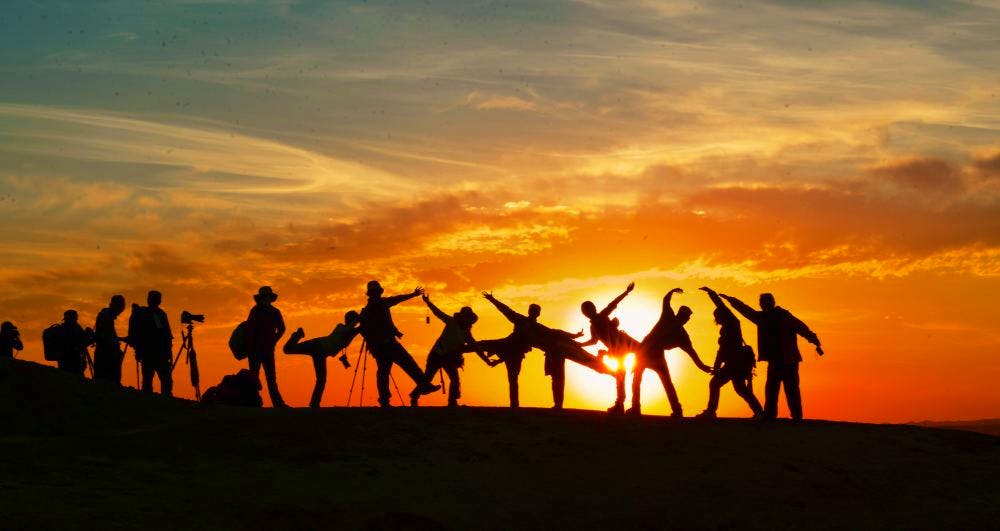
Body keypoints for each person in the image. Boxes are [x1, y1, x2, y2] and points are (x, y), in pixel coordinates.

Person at [482, 291, 612, 410]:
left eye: (536, 310)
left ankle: (557, 404)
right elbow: (506, 310)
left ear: (538, 313)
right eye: (533, 310)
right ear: (530, 311)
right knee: (557, 377)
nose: (534, 312)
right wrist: (492, 300)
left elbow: (555, 332)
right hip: (547, 351)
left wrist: (574, 336)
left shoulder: (538, 327)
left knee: (575, 367)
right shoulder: (521, 321)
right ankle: (555, 405)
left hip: (557, 349)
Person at [719, 291, 823, 421]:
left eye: (766, 302)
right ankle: (772, 415)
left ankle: (794, 416)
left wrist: (814, 340)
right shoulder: (762, 318)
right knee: (773, 389)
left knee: (789, 389)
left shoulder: (783, 316)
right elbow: (745, 309)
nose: (764, 305)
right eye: (763, 303)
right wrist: (731, 300)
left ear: (772, 303)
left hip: (789, 360)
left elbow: (801, 328)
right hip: (777, 360)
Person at [629, 288, 713, 418]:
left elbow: (692, 353)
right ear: (681, 315)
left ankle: (676, 410)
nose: (685, 319)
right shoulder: (669, 318)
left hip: (654, 355)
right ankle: (636, 408)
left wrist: (702, 366)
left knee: (664, 382)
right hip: (645, 351)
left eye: (687, 318)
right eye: (685, 317)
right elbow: (666, 301)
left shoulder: (682, 335)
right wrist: (671, 292)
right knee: (638, 380)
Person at [358, 281, 439, 407]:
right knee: (406, 364)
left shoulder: (368, 310)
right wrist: (413, 294)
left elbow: (396, 302)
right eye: (377, 292)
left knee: (386, 371)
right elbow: (397, 300)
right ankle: (423, 386)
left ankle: (386, 400)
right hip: (387, 345)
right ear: (376, 293)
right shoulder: (379, 305)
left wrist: (393, 332)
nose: (378, 294)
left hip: (382, 345)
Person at [695, 287, 763, 419]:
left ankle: (711, 411)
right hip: (734, 363)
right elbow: (721, 351)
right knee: (741, 389)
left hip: (734, 363)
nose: (717, 319)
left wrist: (711, 294)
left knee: (715, 384)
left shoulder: (732, 324)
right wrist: (716, 366)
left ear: (721, 316)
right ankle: (760, 412)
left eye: (717, 316)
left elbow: (721, 306)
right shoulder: (727, 328)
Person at [412, 294, 490, 407]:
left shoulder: (467, 333)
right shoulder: (451, 321)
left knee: (455, 379)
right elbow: (438, 313)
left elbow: (476, 348)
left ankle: (452, 402)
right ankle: (414, 396)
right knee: (427, 378)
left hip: (449, 358)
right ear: (463, 316)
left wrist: (486, 360)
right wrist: (428, 302)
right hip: (436, 354)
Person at [578, 282, 640, 414]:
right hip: (618, 349)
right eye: (587, 311)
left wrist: (626, 292)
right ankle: (621, 404)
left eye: (589, 309)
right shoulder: (593, 326)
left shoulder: (601, 316)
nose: (589, 312)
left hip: (624, 344)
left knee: (625, 372)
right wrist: (580, 344)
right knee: (620, 375)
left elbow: (613, 303)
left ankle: (626, 405)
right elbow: (594, 341)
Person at [283, 311, 362, 408]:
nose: (348, 321)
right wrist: (357, 320)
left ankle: (314, 404)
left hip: (321, 352)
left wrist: (362, 320)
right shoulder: (340, 326)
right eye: (350, 319)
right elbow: (348, 330)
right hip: (317, 345)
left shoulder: (352, 331)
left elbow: (359, 329)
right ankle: (298, 335)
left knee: (321, 379)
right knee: (287, 349)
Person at [245, 286, 287, 408]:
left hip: (266, 349)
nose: (266, 299)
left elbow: (282, 329)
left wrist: (274, 340)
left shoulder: (274, 312)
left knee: (270, 378)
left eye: (267, 297)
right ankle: (254, 403)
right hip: (255, 350)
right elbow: (250, 330)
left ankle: (277, 404)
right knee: (255, 377)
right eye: (265, 297)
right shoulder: (256, 311)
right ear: (263, 298)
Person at [128, 291, 173, 396]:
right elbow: (164, 332)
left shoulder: (155, 314)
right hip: (154, 353)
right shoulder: (156, 314)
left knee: (152, 380)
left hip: (153, 353)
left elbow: (166, 334)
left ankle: (152, 399)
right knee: (158, 379)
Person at [93, 295, 127, 385]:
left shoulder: (106, 315)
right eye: (121, 307)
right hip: (106, 356)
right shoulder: (106, 316)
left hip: (105, 354)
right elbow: (106, 336)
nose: (121, 311)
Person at [56, 310, 93, 376]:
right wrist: (88, 336)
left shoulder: (62, 328)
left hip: (64, 361)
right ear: (75, 317)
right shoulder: (74, 328)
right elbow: (81, 343)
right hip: (73, 361)